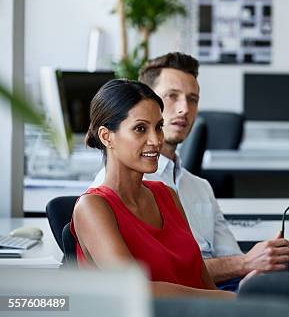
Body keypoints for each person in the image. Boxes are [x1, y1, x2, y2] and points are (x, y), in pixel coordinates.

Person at [91, 53, 289, 286]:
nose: (184, 108)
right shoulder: (111, 193)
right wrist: (245, 264)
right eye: (172, 97)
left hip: (221, 292)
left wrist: (257, 269)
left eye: (192, 99)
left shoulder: (197, 187)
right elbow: (164, 274)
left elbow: (230, 259)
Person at [72, 79, 233, 298]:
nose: (156, 140)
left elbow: (203, 283)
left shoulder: (167, 195)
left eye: (158, 127)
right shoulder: (92, 207)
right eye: (140, 129)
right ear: (106, 136)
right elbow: (136, 292)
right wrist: (234, 300)